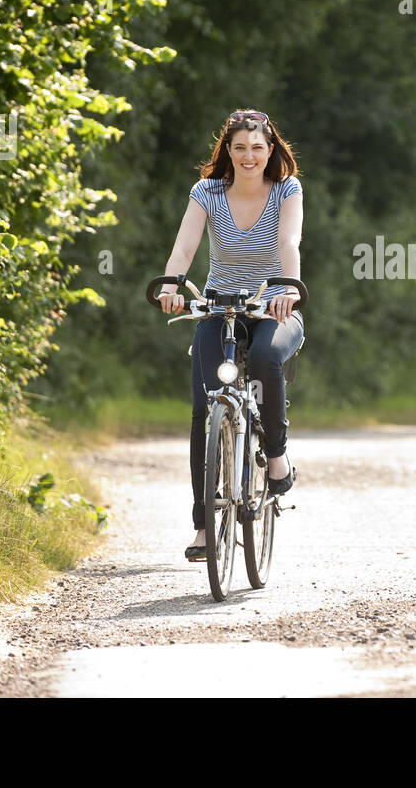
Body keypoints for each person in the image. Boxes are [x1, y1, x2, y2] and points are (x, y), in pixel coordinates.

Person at [156, 108, 305, 562]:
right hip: (219, 306)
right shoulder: (207, 192)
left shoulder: (286, 190)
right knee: (204, 409)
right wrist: (172, 285)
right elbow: (185, 245)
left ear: (270, 151)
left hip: (273, 306)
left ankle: (276, 457)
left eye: (257, 148)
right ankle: (204, 527)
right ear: (228, 151)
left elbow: (287, 244)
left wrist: (286, 291)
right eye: (239, 147)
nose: (248, 156)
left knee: (263, 358)